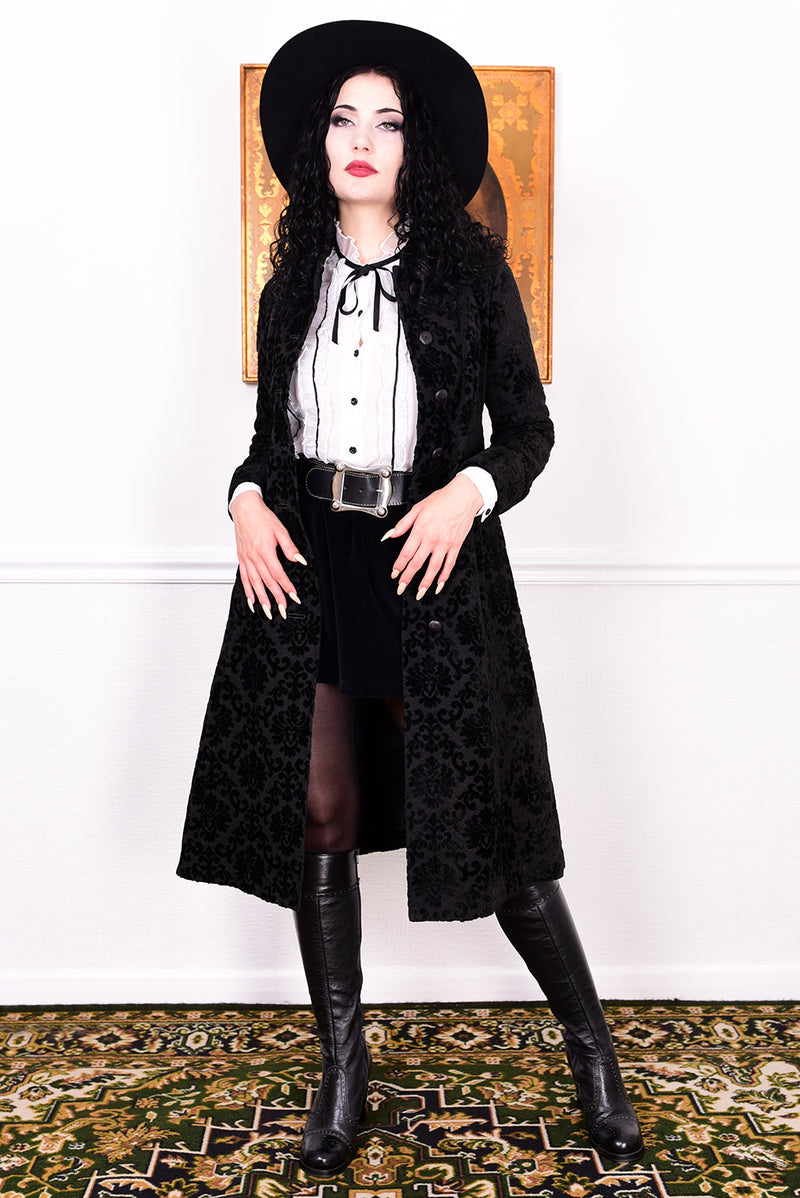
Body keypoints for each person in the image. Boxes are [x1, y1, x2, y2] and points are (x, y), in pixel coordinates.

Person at [177, 19, 644, 1178]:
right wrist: (240, 500)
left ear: (413, 146)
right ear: (314, 140)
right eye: (343, 117)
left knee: (491, 835)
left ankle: (593, 1052)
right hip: (307, 572)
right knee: (317, 819)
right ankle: (345, 1065)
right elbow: (263, 445)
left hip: (432, 572)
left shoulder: (466, 273)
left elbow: (527, 431)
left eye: (385, 121)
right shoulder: (291, 281)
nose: (361, 139)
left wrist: (465, 493)